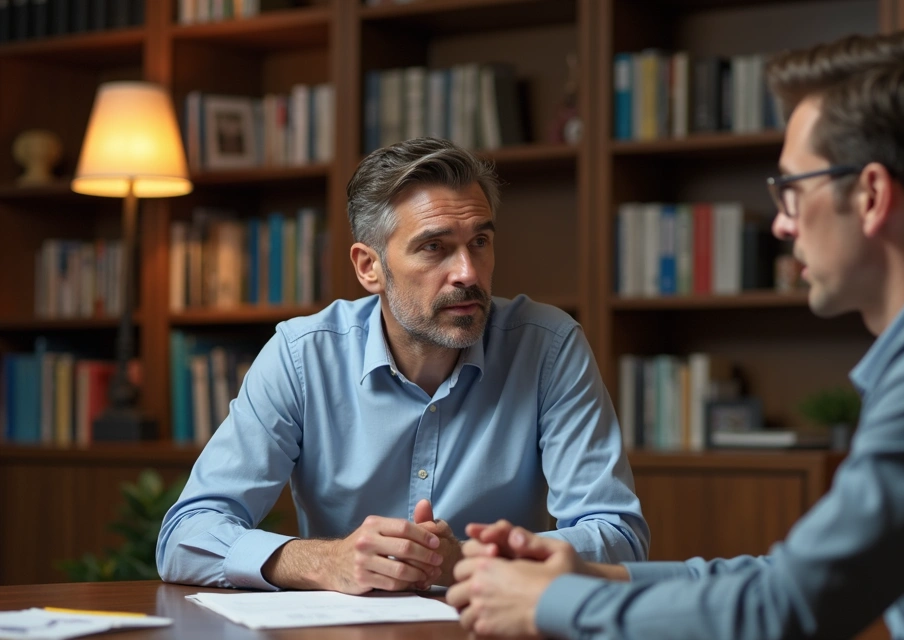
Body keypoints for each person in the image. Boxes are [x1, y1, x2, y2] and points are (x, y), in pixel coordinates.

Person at [446, 29, 904, 639]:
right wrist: (592, 573)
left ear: (871, 194)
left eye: (791, 189)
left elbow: (788, 611)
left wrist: (548, 607)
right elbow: (794, 578)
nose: (782, 223)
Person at [157, 137, 649, 593]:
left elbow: (617, 535)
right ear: (369, 267)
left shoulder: (549, 347)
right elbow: (185, 535)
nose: (468, 273)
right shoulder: (302, 355)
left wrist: (466, 560)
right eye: (434, 247)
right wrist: (325, 562)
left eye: (480, 241)